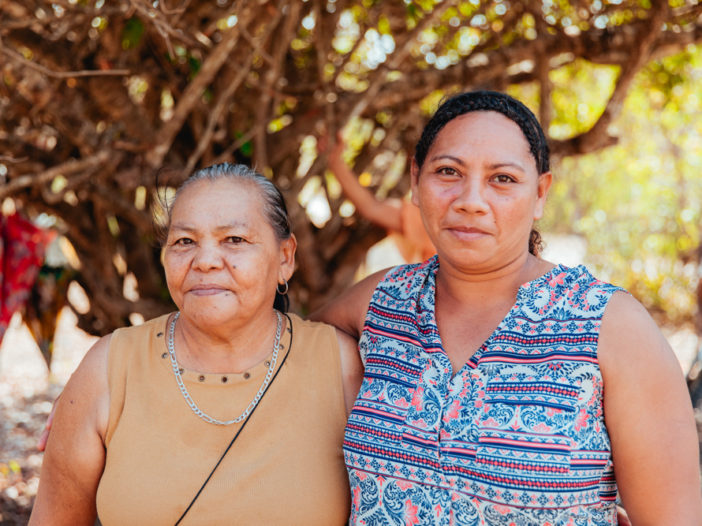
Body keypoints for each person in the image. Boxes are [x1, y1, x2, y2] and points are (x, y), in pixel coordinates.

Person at [313, 90, 702, 524]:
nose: (470, 200)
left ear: (540, 194)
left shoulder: (611, 326)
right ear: (415, 181)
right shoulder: (382, 301)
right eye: (447, 171)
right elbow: (291, 353)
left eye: (502, 179)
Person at [29, 164, 363, 525]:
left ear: (285, 257)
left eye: (234, 240)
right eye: (184, 242)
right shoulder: (110, 369)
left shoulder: (341, 369)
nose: (204, 261)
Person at [323, 131, 435, 264]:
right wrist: (335, 161)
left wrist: (335, 162)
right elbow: (372, 207)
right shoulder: (438, 225)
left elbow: (372, 207)